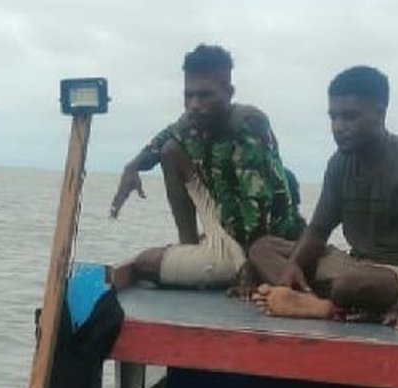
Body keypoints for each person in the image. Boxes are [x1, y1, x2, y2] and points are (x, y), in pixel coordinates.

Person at [250, 65, 398, 331]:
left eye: (350, 117)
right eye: (333, 117)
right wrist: (292, 266)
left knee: (351, 284)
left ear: (380, 113)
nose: (338, 127)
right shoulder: (339, 163)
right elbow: (317, 232)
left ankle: (319, 304)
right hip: (354, 263)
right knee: (262, 248)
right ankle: (301, 292)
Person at [109, 43, 305, 289]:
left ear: (229, 92)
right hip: (226, 231)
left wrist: (251, 273)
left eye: (204, 95)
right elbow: (164, 138)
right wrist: (134, 165)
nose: (194, 104)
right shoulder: (193, 122)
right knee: (170, 149)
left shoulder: (248, 126)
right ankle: (189, 247)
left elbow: (258, 214)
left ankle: (222, 264)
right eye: (188, 95)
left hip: (260, 250)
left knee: (145, 263)